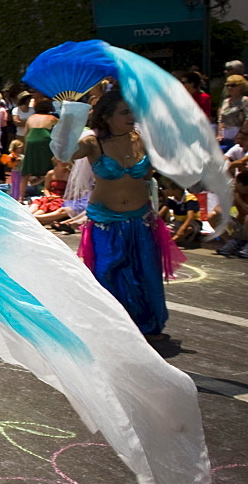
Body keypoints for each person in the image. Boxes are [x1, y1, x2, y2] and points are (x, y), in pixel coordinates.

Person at [68, 90, 184, 344]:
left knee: (145, 274)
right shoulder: (92, 143)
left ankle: (146, 326)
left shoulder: (142, 139)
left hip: (141, 220)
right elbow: (63, 153)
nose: (132, 117)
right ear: (107, 117)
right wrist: (70, 115)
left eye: (132, 111)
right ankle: (112, 330)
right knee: (107, 274)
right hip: (106, 223)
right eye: (124, 112)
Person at [19, 98, 57, 200]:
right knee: (49, 167)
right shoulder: (52, 118)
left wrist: (25, 151)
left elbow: (25, 135)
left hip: (31, 140)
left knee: (26, 171)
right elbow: (61, 132)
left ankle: (20, 197)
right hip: (45, 140)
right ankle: (46, 192)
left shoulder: (31, 118)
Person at [217, 74, 248, 149]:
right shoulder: (225, 101)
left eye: (233, 85)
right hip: (225, 133)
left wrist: (240, 135)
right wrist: (220, 134)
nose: (229, 88)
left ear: (241, 87)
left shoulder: (245, 100)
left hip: (237, 131)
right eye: (227, 85)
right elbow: (221, 119)